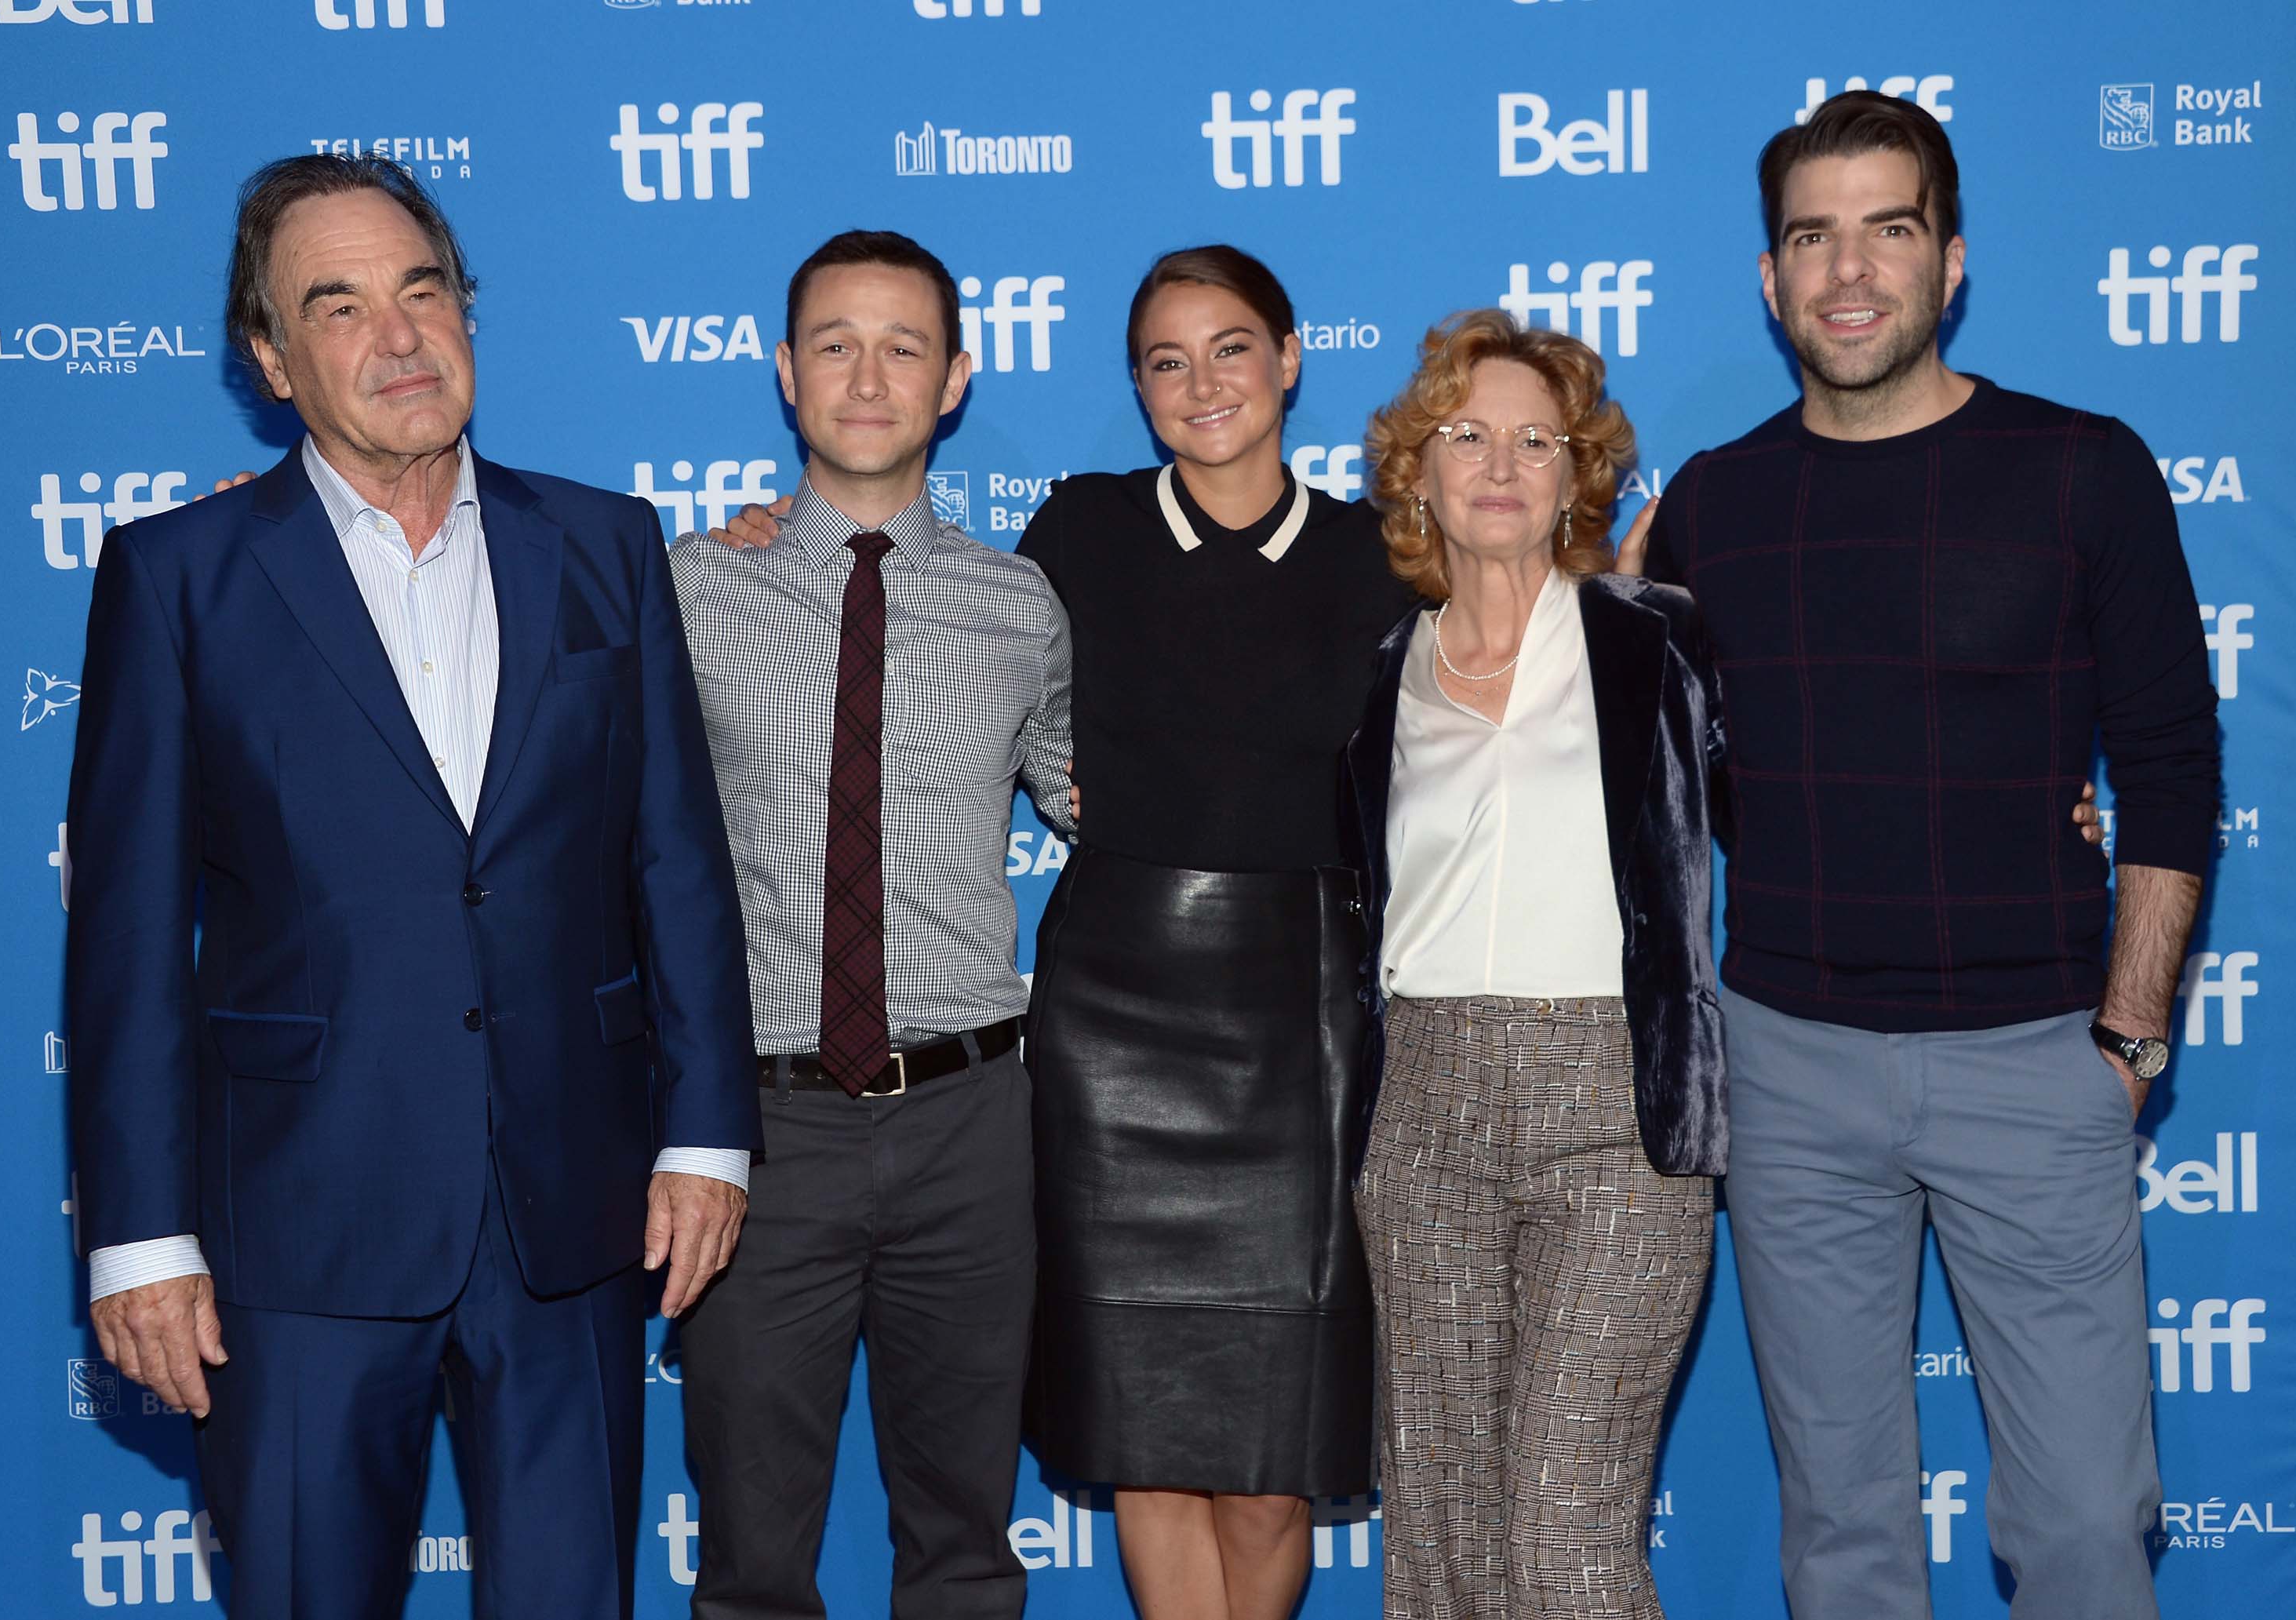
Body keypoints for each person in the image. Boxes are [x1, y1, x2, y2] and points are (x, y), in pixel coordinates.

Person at [66, 154, 757, 1620]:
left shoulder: (604, 543)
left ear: (467, 313)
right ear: (268, 358)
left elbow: (675, 859)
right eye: (340, 305)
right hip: (299, 1227)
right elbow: (124, 936)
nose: (399, 337)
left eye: (423, 290)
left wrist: (706, 1138)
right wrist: (137, 1232)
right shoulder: (179, 577)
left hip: (571, 1211)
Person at [1635, 92, 2219, 1618]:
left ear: (1948, 260)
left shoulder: (2084, 470)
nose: (1848, 270)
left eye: (1887, 229)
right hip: (1785, 1070)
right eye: (1811, 236)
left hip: (2037, 1059)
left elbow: (2168, 768)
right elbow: (1623, 745)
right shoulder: (1712, 502)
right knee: (1842, 1529)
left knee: (2088, 1525)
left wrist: (2131, 1025)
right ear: (1769, 279)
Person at [669, 229, 1075, 1620]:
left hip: (973, 1121)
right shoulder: (689, 587)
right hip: (758, 1126)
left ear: (956, 379)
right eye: (834, 342)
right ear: (785, 372)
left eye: (904, 345)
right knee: (751, 1564)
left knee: (964, 1548)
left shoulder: (1021, 605)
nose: (867, 373)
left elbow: (1110, 792)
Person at [1012, 246, 1415, 1620]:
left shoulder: (1379, 555)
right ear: (1135, 385)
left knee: (1263, 1459)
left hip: (1302, 1018)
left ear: (1291, 358)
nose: (1202, 383)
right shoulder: (1080, 528)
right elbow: (955, 653)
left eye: (1231, 347)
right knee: (1151, 1443)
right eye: (1166, 361)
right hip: (1112, 1008)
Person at [1343, 311, 1722, 1618]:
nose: (1499, 463)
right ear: (1419, 469)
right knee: (1444, 1546)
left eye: (1534, 440)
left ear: (1574, 476)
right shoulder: (1379, 673)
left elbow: (1808, 794)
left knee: (1565, 1538)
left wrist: (2039, 811)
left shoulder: (1652, 640)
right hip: (1424, 1115)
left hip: (1616, 1113)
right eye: (1468, 435)